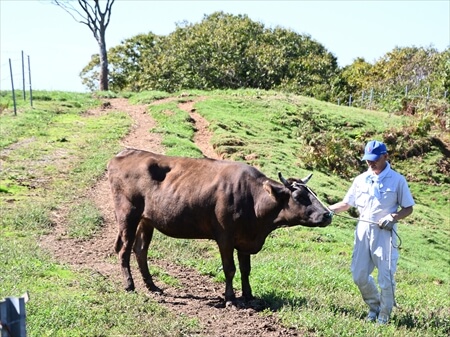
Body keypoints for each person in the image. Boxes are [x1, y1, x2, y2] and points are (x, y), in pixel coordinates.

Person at [329, 140, 415, 325]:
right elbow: (346, 203)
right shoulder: (360, 179)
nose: (371, 163)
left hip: (384, 233)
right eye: (368, 160)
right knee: (358, 275)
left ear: (386, 156)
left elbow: (408, 208)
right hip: (362, 231)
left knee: (386, 278)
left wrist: (393, 217)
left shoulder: (398, 180)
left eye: (375, 159)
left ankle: (384, 314)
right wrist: (328, 210)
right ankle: (374, 305)